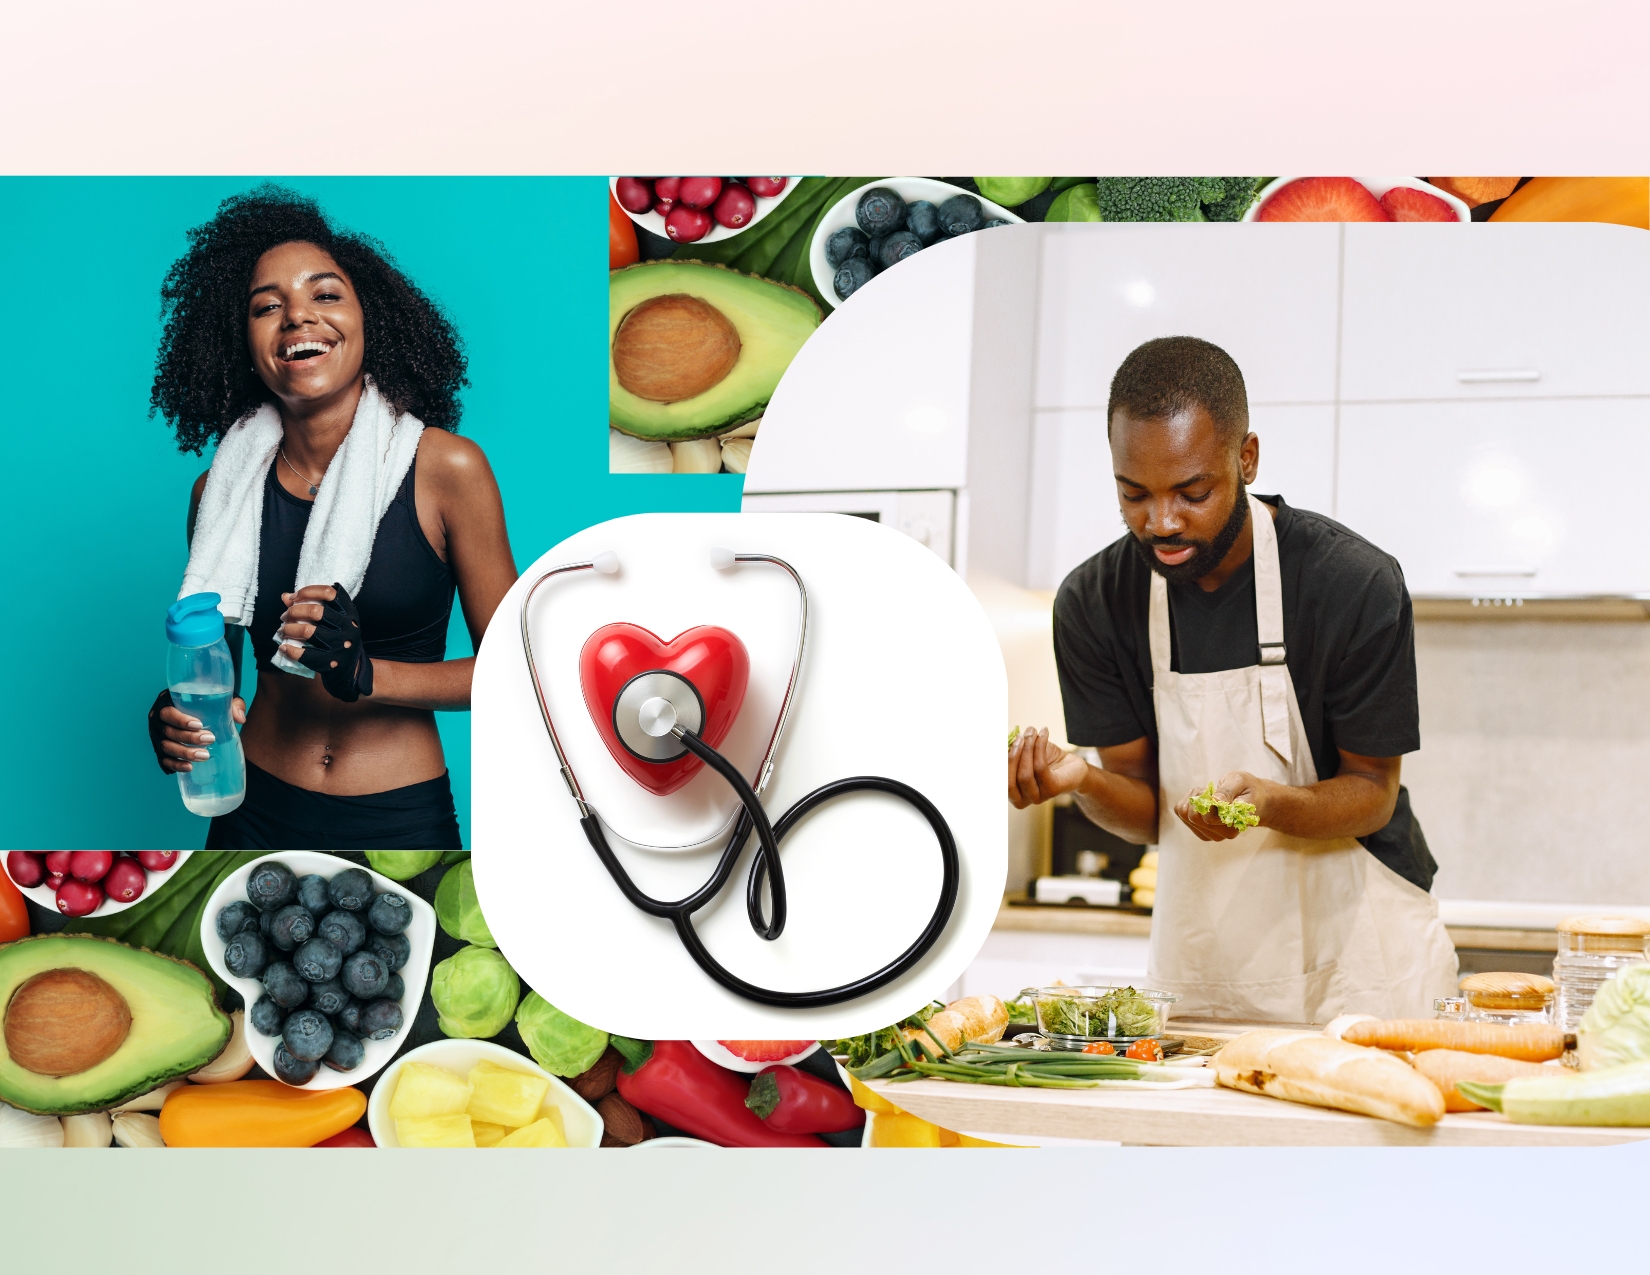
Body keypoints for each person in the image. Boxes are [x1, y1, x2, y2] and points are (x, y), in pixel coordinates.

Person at [1007, 336, 1457, 1023]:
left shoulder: (1351, 582)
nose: (1161, 522)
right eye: (1134, 494)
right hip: (1209, 966)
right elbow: (1143, 807)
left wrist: (1269, 801)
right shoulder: (1095, 602)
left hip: (1368, 961)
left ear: (1245, 458)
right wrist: (1081, 782)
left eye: (1192, 492)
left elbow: (1372, 792)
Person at [146, 187, 518, 850]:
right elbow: (213, 679)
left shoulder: (446, 470)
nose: (297, 318)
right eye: (268, 306)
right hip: (248, 803)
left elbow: (517, 668)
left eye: (325, 295)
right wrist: (176, 716)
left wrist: (367, 674)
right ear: (245, 339)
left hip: (396, 814)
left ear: (369, 316)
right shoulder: (220, 495)